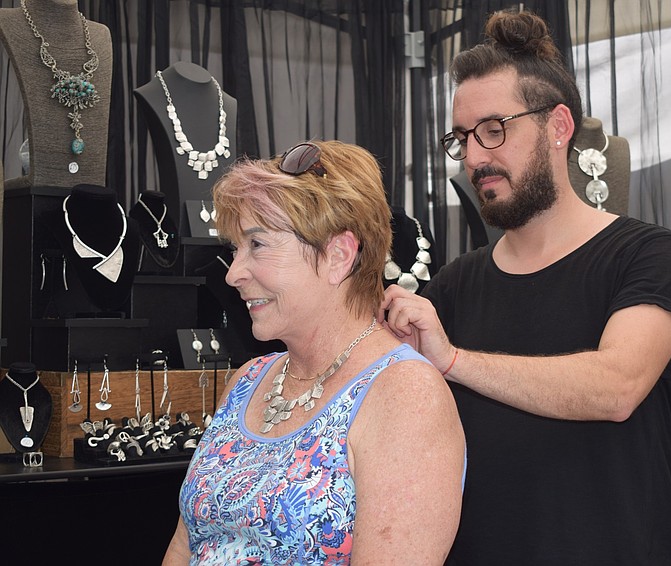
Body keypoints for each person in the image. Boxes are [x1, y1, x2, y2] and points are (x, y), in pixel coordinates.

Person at [381, 9, 671, 566]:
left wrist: (453, 359)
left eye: (494, 130)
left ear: (557, 127)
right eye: (462, 139)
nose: (476, 157)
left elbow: (616, 388)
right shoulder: (457, 284)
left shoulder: (645, 255)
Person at [162, 140, 466, 565]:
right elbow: (185, 545)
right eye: (236, 249)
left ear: (338, 255)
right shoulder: (249, 379)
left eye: (258, 245)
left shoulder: (405, 395)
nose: (233, 274)